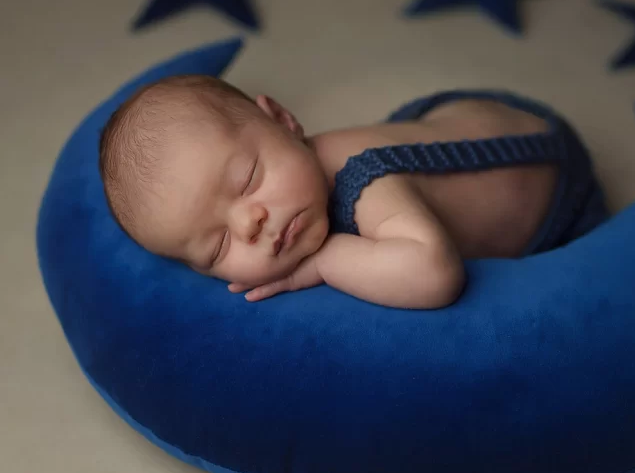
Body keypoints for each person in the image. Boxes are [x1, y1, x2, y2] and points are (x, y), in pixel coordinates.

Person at [99, 75, 608, 309]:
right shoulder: (297, 170)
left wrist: (326, 262)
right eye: (217, 248)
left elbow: (434, 275)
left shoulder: (367, 181)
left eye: (248, 180)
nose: (249, 223)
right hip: (476, 119)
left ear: (282, 118)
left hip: (549, 174)